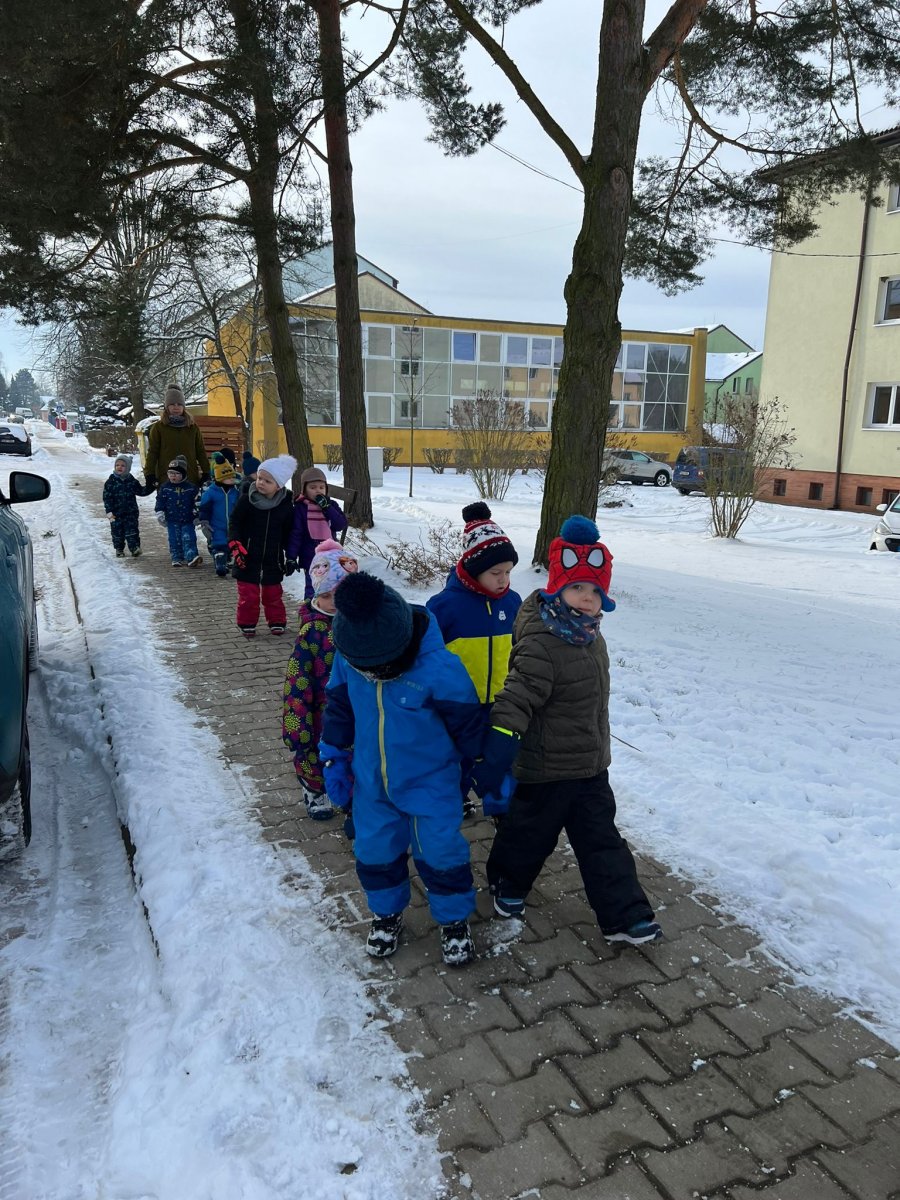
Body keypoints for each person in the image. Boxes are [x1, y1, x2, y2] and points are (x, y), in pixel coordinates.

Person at [471, 515, 663, 945]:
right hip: (546, 770)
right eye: (577, 587)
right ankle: (506, 885)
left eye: (595, 591)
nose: (586, 598)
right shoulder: (543, 642)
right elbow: (516, 698)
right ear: (557, 588)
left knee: (603, 840)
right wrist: (498, 748)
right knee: (528, 837)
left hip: (590, 767)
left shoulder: (591, 637)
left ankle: (626, 915)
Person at [319, 572, 484, 967]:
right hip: (372, 782)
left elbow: (468, 726)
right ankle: (386, 913)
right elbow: (339, 706)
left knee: (441, 852)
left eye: (381, 669)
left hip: (432, 783)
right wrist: (333, 754)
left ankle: (453, 919)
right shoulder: (349, 655)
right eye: (366, 670)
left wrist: (483, 770)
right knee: (375, 850)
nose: (372, 676)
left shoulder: (439, 667)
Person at [427, 502, 522, 818]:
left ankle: (501, 810)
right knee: (456, 757)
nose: (503, 580)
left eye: (508, 572)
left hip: (502, 701)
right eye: (495, 573)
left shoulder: (513, 602)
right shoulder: (445, 606)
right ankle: (455, 798)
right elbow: (429, 654)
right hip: (459, 703)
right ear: (473, 568)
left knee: (501, 757)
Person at [282, 539, 359, 821]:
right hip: (319, 711)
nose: (334, 603)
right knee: (314, 754)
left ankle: (350, 795)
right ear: (317, 594)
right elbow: (297, 681)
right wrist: (296, 724)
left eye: (340, 595)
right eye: (327, 595)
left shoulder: (361, 626)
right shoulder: (312, 632)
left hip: (353, 708)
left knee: (351, 754)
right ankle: (315, 791)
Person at [228, 454, 297, 638]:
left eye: (267, 481)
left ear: (279, 485)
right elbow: (234, 522)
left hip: (272, 559)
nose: (261, 483)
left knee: (273, 594)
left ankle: (277, 621)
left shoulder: (285, 506)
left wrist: (291, 557)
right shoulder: (246, 500)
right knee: (248, 595)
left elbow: (289, 533)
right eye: (259, 478)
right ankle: (247, 623)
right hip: (246, 556)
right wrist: (235, 542)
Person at [286, 466, 348, 598]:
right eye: (313, 487)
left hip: (331, 556)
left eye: (321, 487)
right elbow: (296, 534)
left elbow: (340, 524)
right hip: (310, 555)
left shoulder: (331, 505)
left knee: (331, 586)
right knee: (312, 587)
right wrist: (291, 557)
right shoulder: (300, 508)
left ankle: (328, 608)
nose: (318, 490)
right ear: (305, 490)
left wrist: (327, 508)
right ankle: (310, 609)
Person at [144, 383, 210, 489]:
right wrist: (149, 474)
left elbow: (200, 451)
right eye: (172, 404)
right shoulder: (159, 428)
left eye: (179, 404)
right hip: (166, 478)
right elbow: (153, 452)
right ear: (167, 407)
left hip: (190, 477)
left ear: (183, 407)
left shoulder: (192, 427)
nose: (176, 407)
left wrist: (207, 472)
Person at [102, 453, 154, 558]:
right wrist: (109, 512)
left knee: (132, 531)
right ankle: (119, 549)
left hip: (131, 512)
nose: (119, 467)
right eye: (117, 465)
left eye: (123, 465)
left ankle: (134, 548)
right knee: (117, 532)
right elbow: (107, 498)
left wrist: (151, 486)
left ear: (128, 468)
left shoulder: (131, 481)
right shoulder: (110, 482)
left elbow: (141, 491)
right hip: (115, 513)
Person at [198, 452, 242, 576]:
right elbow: (204, 508)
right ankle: (220, 562)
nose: (232, 480)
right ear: (220, 478)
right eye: (229, 478)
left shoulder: (235, 492)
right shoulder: (211, 492)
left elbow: (239, 506)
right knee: (219, 543)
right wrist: (204, 521)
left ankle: (230, 560)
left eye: (232, 477)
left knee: (232, 543)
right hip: (216, 524)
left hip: (232, 524)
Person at [154, 456, 202, 568]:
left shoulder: (191, 488)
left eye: (176, 474)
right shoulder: (165, 488)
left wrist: (197, 514)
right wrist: (160, 512)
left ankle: (191, 557)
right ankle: (176, 557)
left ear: (183, 474)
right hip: (172, 519)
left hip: (188, 519)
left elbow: (197, 502)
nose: (173, 476)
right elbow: (160, 500)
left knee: (189, 538)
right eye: (170, 473)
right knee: (174, 539)